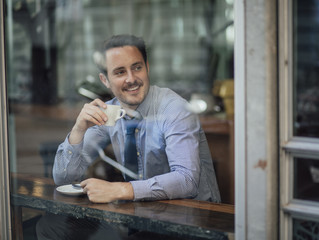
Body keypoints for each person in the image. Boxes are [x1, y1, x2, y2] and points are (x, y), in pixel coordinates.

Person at [36, 34, 220, 239]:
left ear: (147, 67)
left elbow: (186, 181)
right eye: (120, 71)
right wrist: (79, 129)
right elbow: (64, 179)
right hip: (140, 217)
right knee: (51, 225)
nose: (131, 78)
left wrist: (119, 190)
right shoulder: (111, 112)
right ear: (104, 80)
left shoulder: (175, 109)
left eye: (137, 67)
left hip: (191, 223)